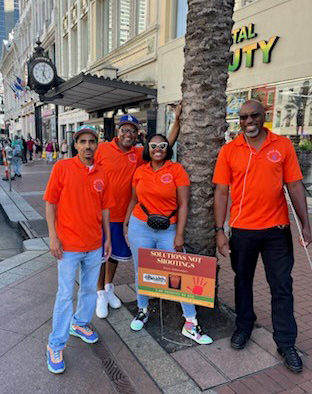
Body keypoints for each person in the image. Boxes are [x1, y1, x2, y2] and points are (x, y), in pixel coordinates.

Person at [213, 99, 312, 373]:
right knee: (242, 281)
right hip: (242, 231)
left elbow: (294, 184)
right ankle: (244, 325)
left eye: (254, 115)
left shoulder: (282, 146)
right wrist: (220, 230)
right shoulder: (230, 150)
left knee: (282, 286)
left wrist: (306, 223)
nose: (248, 121)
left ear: (264, 115)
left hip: (276, 231)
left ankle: (286, 342)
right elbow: (221, 192)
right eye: (243, 117)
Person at [123, 134, 212, 344]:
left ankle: (190, 322)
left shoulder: (176, 170)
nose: (158, 149)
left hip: (168, 228)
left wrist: (179, 233)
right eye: (153, 146)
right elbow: (134, 199)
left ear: (167, 148)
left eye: (162, 145)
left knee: (179, 271)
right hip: (140, 226)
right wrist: (126, 225)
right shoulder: (140, 171)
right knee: (141, 270)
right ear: (148, 148)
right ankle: (142, 310)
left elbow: (183, 204)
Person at [95, 108, 181, 319]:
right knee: (100, 257)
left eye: (132, 132)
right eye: (125, 130)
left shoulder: (139, 154)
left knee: (113, 256)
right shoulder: (103, 149)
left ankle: (108, 288)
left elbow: (164, 145)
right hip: (102, 214)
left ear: (137, 134)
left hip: (124, 215)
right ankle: (99, 294)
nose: (128, 135)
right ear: (118, 131)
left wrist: (177, 121)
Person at [44, 125, 115, 374]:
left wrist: (107, 238)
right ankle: (55, 344)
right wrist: (53, 237)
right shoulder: (62, 168)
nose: (87, 146)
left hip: (94, 244)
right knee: (65, 295)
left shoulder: (102, 173)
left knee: (88, 290)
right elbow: (51, 204)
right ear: (75, 145)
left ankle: (80, 323)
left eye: (92, 141)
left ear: (97, 145)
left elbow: (105, 209)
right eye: (82, 141)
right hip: (69, 246)